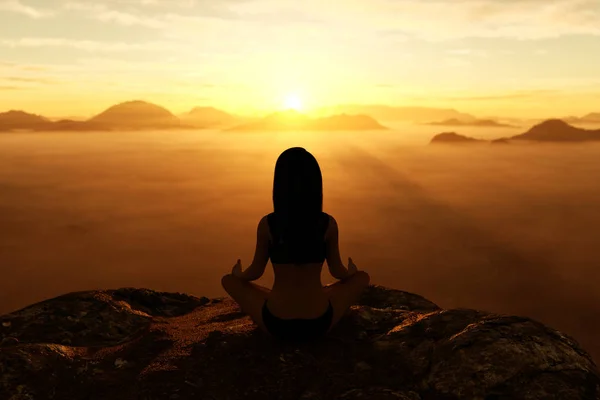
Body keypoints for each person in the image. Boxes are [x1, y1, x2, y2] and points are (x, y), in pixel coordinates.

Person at [221, 147, 370, 342]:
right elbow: (338, 272)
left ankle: (276, 297)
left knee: (228, 281)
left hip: (276, 323)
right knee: (362, 278)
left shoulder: (268, 224)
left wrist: (238, 274)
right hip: (319, 323)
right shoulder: (327, 224)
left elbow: (254, 273)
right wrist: (351, 272)